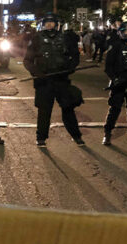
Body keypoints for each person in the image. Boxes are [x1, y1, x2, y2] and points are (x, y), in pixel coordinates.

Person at [24, 13, 84, 147]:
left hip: (61, 80)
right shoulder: (36, 38)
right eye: (47, 23)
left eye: (52, 23)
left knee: (68, 109)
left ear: (57, 25)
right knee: (44, 111)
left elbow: (75, 56)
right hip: (44, 82)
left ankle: (76, 136)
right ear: (43, 25)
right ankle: (41, 138)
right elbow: (27, 60)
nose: (50, 25)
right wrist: (37, 73)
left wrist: (70, 68)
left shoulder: (65, 39)